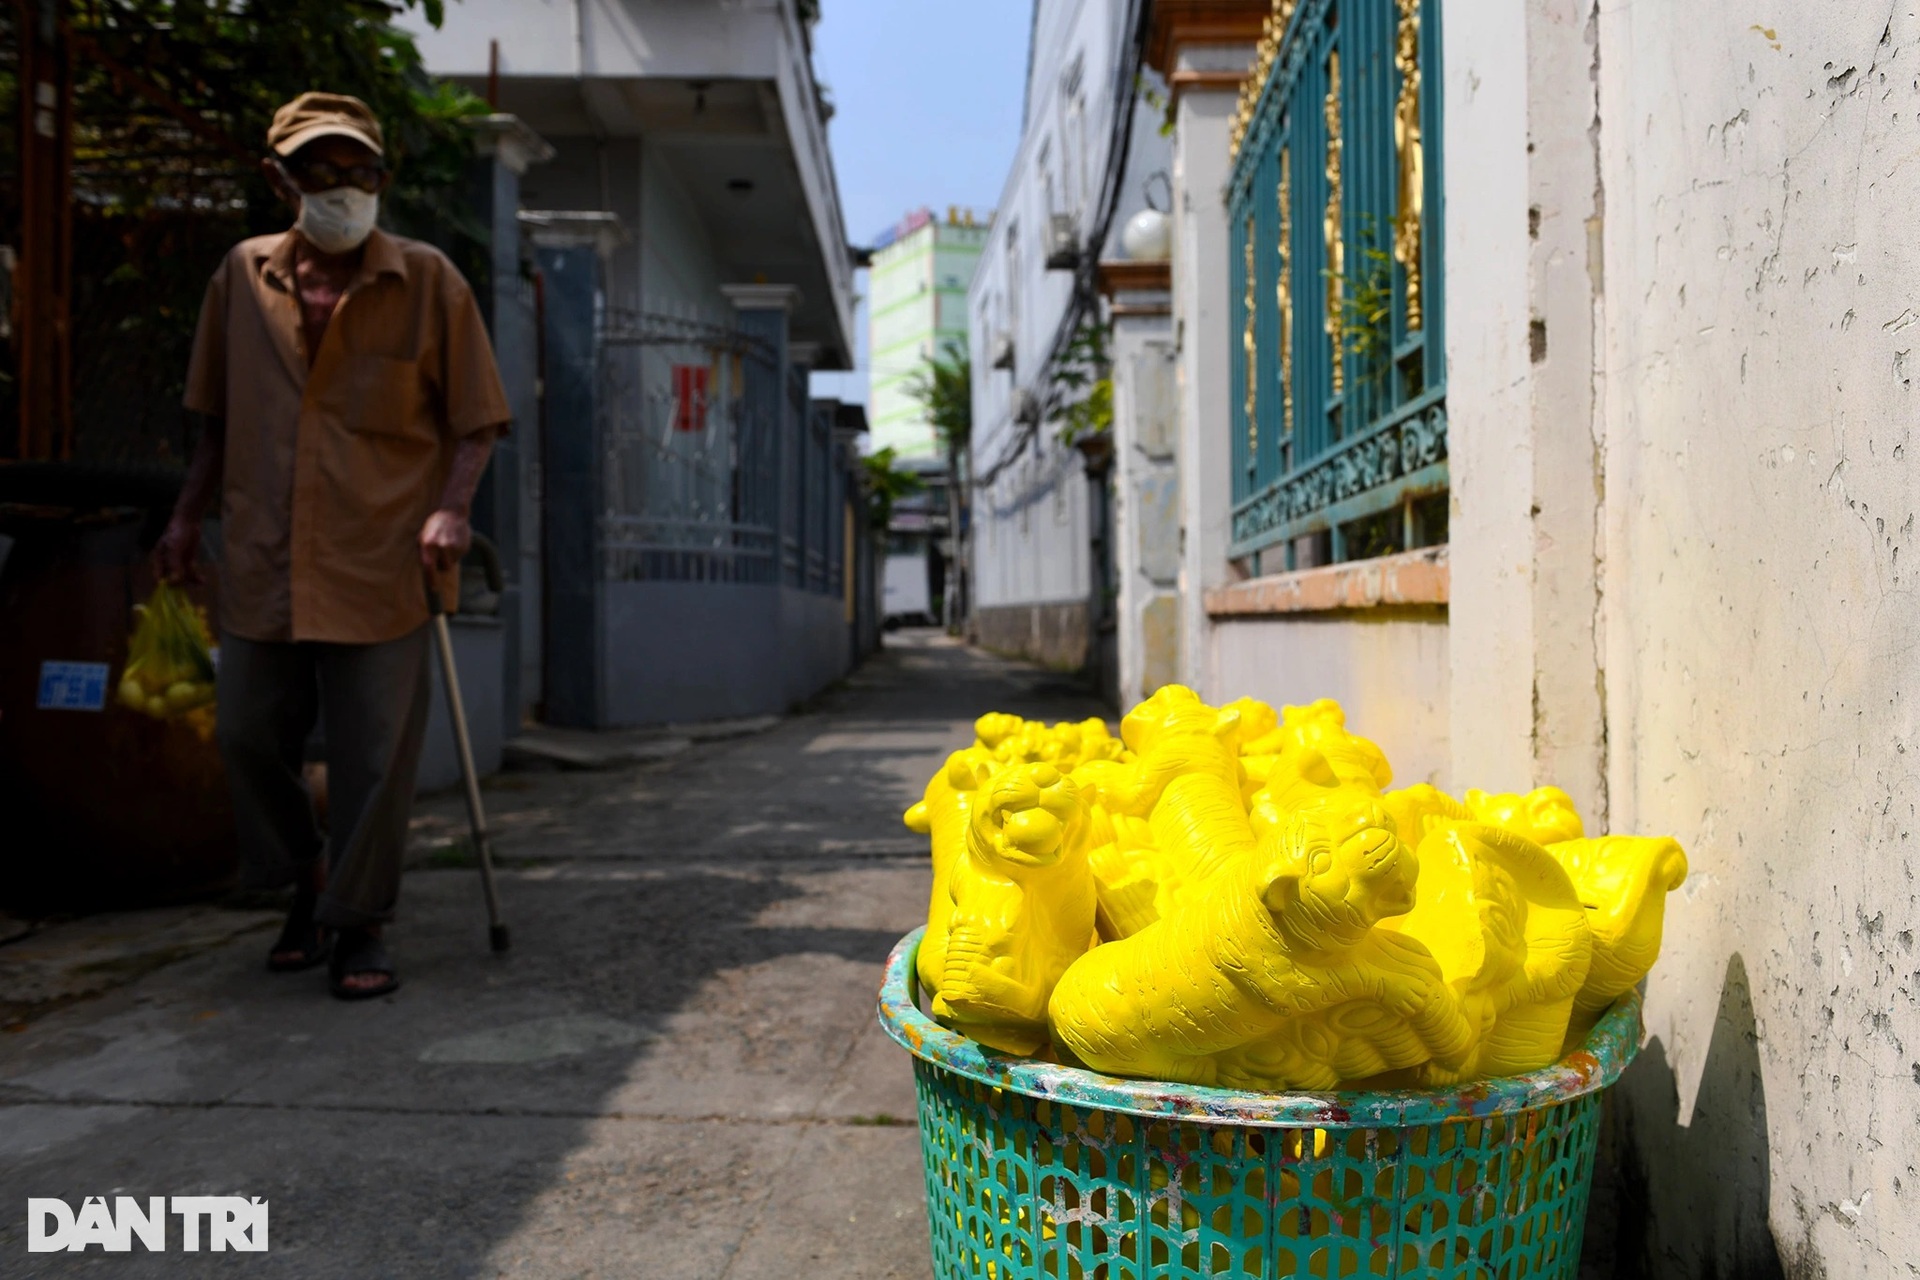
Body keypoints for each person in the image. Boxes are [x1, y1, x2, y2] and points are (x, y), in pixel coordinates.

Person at [154, 92, 511, 1000]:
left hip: (385, 554)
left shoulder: (430, 280)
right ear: (280, 179)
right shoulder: (241, 276)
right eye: (323, 170)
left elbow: (477, 423)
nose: (345, 187)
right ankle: (305, 875)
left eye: (361, 171)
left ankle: (358, 924)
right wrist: (186, 517)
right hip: (267, 551)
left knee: (373, 752)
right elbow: (215, 421)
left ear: (382, 179)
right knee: (243, 734)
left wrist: (453, 511)